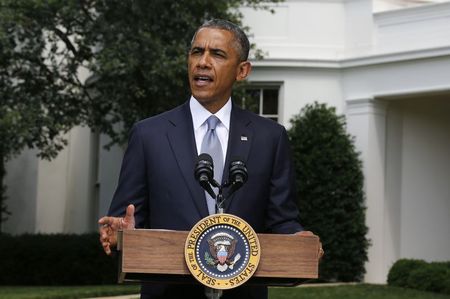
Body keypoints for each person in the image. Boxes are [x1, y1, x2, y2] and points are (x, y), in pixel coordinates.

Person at [99, 19, 323, 299]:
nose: (202, 62)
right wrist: (122, 236)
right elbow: (126, 219)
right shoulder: (149, 135)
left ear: (242, 70)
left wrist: (297, 239)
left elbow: (282, 220)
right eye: (196, 52)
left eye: (217, 54)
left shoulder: (270, 138)